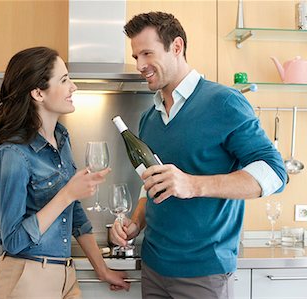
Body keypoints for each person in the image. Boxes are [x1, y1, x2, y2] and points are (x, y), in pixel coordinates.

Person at [110, 12, 287, 299]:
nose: (140, 65)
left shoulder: (224, 102)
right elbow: (151, 184)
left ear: (176, 47)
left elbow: (274, 173)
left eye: (147, 53)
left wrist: (192, 184)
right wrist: (135, 223)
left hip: (204, 273)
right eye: (135, 56)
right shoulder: (148, 119)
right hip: (154, 269)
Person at [0, 46, 130, 298]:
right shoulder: (13, 154)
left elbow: (76, 216)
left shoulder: (61, 138)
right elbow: (13, 241)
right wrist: (67, 194)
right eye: (64, 80)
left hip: (64, 275)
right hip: (26, 278)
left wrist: (102, 268)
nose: (73, 87)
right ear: (38, 92)